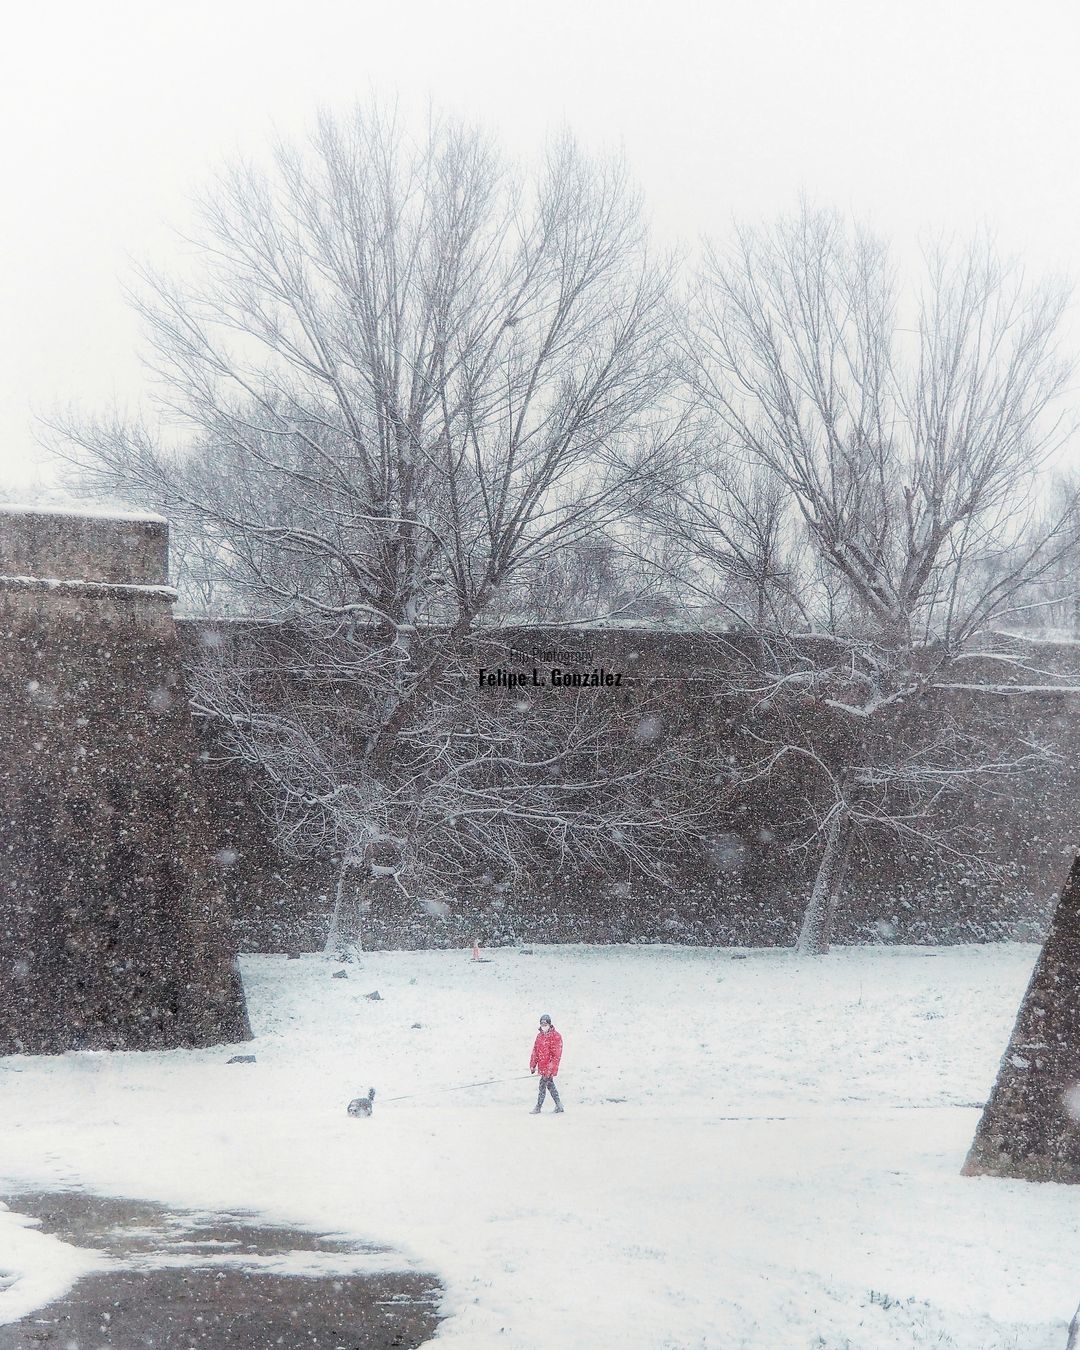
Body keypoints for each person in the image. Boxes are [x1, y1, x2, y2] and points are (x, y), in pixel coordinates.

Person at [529, 1013, 564, 1114]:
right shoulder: (539, 1036)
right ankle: (559, 1105)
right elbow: (535, 1051)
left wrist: (550, 1069)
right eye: (542, 1024)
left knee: (542, 1085)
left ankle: (538, 1107)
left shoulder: (556, 1036)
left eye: (545, 1024)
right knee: (550, 1085)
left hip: (549, 1068)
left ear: (549, 1024)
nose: (543, 1026)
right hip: (542, 1067)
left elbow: (556, 1056)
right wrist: (532, 1065)